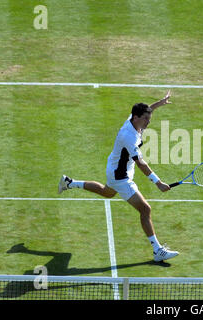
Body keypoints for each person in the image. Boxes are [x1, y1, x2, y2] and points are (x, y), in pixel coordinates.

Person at [58, 90, 179, 262]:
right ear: (136, 117)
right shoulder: (128, 136)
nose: (148, 122)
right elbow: (141, 163)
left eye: (149, 118)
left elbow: (148, 109)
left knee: (107, 192)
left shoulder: (133, 121)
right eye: (145, 119)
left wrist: (159, 103)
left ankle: (69, 183)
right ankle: (157, 250)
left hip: (116, 167)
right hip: (120, 176)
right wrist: (157, 182)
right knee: (145, 209)